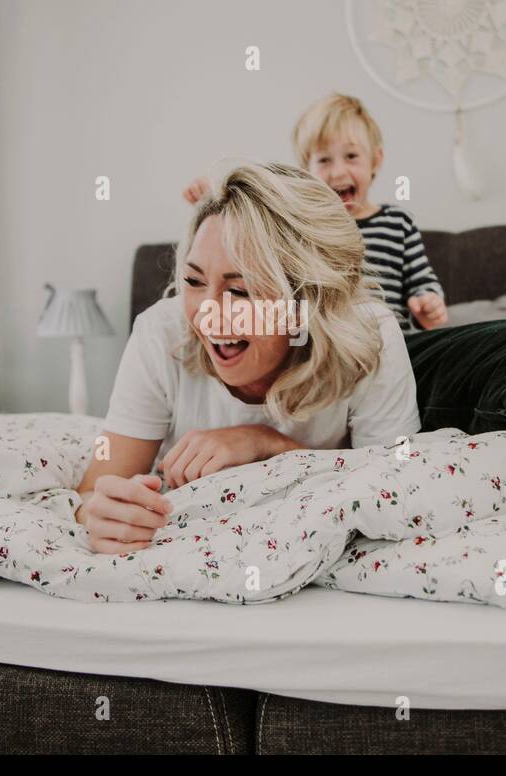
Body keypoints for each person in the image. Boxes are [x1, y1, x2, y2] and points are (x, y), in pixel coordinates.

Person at [78, 162, 420, 555]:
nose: (207, 313)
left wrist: (269, 445)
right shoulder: (161, 333)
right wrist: (98, 516)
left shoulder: (369, 336)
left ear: (307, 300)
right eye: (193, 281)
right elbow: (93, 489)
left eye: (239, 291)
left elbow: (396, 496)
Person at [182, 93, 448, 331]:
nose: (338, 172)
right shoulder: (302, 224)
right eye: (324, 160)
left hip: (394, 346)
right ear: (306, 170)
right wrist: (218, 193)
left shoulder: (397, 222)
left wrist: (427, 305)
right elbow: (258, 198)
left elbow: (422, 282)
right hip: (331, 347)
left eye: (351, 156)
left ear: (375, 161)